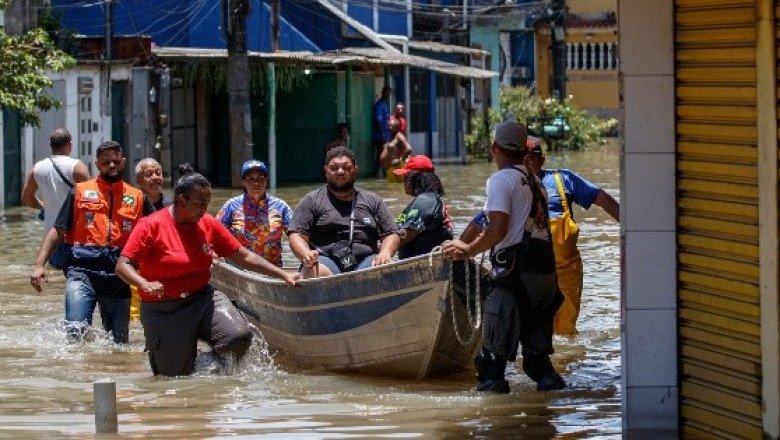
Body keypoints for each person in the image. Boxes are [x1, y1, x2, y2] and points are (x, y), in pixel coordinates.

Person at [115, 172, 297, 377]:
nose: (204, 209)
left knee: (238, 336)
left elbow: (243, 256)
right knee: (173, 379)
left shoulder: (208, 223)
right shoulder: (150, 225)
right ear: (181, 200)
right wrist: (143, 283)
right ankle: (187, 365)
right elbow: (122, 265)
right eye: (200, 204)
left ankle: (204, 369)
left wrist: (282, 274)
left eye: (207, 203)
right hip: (163, 308)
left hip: (203, 298)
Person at [443, 121, 566, 393]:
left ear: (494, 148)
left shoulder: (500, 180)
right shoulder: (535, 181)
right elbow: (487, 221)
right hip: (544, 281)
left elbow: (496, 229)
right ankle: (553, 419)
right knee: (538, 364)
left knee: (491, 369)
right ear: (525, 152)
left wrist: (466, 250)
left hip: (514, 278)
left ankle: (496, 429)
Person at [30, 141, 154, 343]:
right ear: (97, 164)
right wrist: (39, 265)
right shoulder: (78, 192)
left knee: (119, 342)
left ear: (123, 163)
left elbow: (158, 233)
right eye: (106, 162)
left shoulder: (138, 198)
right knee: (75, 332)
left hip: (119, 276)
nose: (111, 165)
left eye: (115, 161)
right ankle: (78, 371)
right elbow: (58, 230)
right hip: (81, 271)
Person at [523, 136, 620, 336]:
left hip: (566, 269)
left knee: (566, 330)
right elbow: (489, 219)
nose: (528, 161)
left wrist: (634, 228)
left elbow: (601, 198)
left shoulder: (563, 178)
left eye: (533, 157)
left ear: (542, 159)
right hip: (532, 269)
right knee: (535, 326)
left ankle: (565, 362)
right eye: (523, 158)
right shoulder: (513, 185)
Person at [288, 146, 400, 279]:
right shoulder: (312, 200)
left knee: (384, 268)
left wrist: (385, 252)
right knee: (314, 271)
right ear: (326, 170)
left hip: (366, 261)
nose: (340, 172)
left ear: (355, 170)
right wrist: (306, 254)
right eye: (334, 168)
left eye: (346, 167)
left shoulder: (372, 200)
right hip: (325, 260)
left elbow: (391, 233)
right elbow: (296, 235)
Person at [21, 128, 90, 268]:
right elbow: (92, 200)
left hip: (51, 238)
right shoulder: (77, 167)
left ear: (50, 145)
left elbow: (27, 199)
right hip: (76, 236)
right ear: (69, 144)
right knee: (76, 276)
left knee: (56, 277)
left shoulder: (37, 168)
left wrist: (44, 206)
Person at [216, 160, 292, 267]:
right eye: (250, 178)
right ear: (243, 181)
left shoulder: (281, 206)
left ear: (266, 180)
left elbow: (295, 234)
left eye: (260, 178)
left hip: (272, 268)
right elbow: (214, 232)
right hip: (239, 267)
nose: (256, 183)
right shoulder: (231, 206)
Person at [393, 155, 453, 259]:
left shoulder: (425, 200)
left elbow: (406, 235)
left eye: (406, 177)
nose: (403, 181)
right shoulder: (431, 199)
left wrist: (382, 248)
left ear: (416, 179)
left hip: (422, 262)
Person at [372, 86, 393, 174]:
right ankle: (376, 173)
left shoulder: (385, 104)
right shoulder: (380, 105)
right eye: (387, 93)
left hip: (386, 135)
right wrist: (383, 135)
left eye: (389, 93)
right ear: (383, 93)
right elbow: (378, 121)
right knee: (381, 154)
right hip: (380, 135)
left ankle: (384, 173)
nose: (388, 95)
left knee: (385, 155)